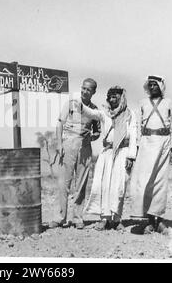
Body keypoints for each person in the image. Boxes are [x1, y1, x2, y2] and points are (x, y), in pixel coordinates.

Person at [80, 86, 137, 230]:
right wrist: (78, 102)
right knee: (103, 186)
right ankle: (104, 219)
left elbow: (133, 135)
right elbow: (91, 113)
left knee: (119, 186)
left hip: (123, 152)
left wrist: (131, 156)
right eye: (110, 95)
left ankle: (116, 219)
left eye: (115, 95)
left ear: (121, 97)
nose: (112, 98)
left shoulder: (130, 114)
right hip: (107, 153)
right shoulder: (105, 114)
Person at [49, 78, 101, 230]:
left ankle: (78, 217)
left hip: (85, 147)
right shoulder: (71, 104)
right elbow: (59, 124)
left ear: (93, 92)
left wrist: (91, 137)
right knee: (63, 183)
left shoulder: (94, 110)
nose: (85, 91)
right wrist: (59, 144)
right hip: (68, 143)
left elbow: (98, 132)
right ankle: (59, 218)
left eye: (88, 89)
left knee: (81, 183)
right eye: (83, 88)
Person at [130, 75, 172, 234]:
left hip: (163, 143)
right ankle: (149, 221)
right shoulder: (142, 103)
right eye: (149, 85)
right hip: (146, 143)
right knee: (145, 181)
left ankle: (159, 220)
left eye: (154, 85)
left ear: (161, 86)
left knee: (160, 181)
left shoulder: (168, 103)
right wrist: (136, 146)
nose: (152, 88)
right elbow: (137, 125)